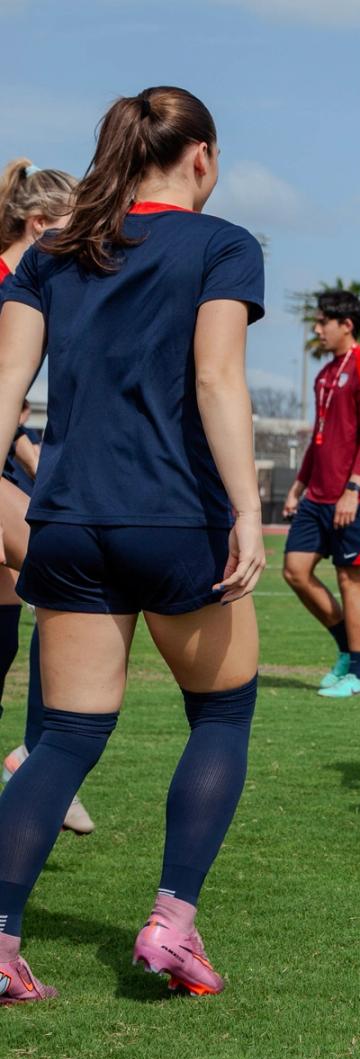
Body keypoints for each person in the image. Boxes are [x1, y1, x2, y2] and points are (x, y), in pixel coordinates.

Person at [0, 85, 265, 1003]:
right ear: (202, 156)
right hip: (175, 516)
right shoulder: (224, 243)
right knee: (223, 715)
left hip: (67, 520)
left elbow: (4, 389)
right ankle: (171, 927)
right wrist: (248, 508)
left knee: (65, 738)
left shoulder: (49, 255)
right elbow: (216, 377)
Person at [0, 161, 92, 834]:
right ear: (38, 225)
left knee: (7, 631)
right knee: (59, 575)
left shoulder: (32, 284)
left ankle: (31, 756)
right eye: (72, 225)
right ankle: (38, 753)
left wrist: (31, 455)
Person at [282, 290, 360, 699]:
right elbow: (319, 437)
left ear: (347, 325)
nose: (316, 328)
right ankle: (350, 647)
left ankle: (359, 676)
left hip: (355, 497)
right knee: (294, 571)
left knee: (349, 580)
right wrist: (297, 487)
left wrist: (353, 490)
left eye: (323, 321)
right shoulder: (324, 375)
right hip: (318, 497)